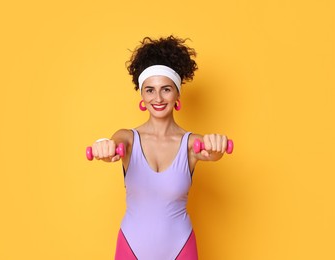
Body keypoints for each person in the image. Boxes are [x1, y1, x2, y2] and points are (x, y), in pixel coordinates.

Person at [90, 36, 230, 260]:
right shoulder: (128, 138)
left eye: (166, 89)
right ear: (142, 95)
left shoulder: (191, 144)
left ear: (177, 95)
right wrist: (102, 147)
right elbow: (112, 146)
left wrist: (217, 146)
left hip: (180, 248)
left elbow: (212, 153)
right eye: (150, 90)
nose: (158, 98)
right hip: (131, 248)